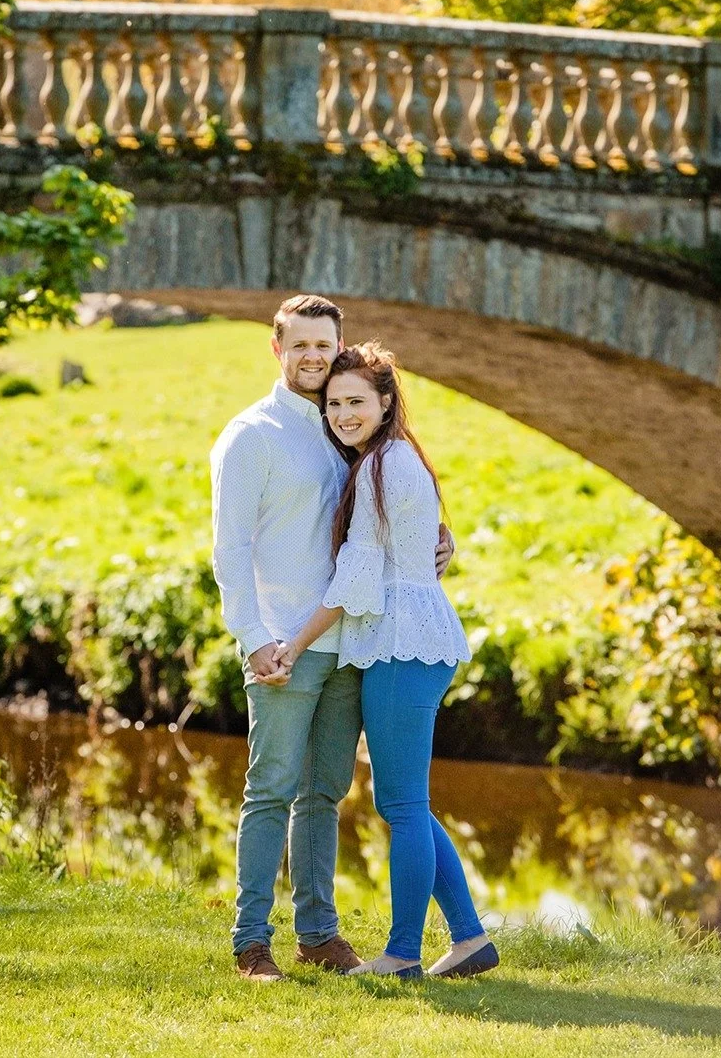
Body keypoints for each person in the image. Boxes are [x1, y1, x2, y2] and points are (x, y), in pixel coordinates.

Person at [210, 296, 454, 982]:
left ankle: (317, 932)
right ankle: (250, 943)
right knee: (271, 789)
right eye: (301, 345)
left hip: (355, 643)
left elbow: (391, 512)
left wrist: (438, 540)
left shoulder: (347, 424)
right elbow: (229, 550)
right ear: (277, 348)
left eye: (325, 344)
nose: (313, 357)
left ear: (339, 345)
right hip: (284, 643)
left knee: (325, 791)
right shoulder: (250, 435)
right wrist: (255, 637)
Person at [275, 341, 499, 979]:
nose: (343, 414)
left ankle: (402, 954)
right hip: (412, 643)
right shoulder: (395, 458)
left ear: (385, 403)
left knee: (401, 807)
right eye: (335, 404)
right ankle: (470, 940)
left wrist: (292, 645)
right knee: (410, 806)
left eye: (355, 403)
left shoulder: (380, 467)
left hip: (404, 646)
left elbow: (354, 585)